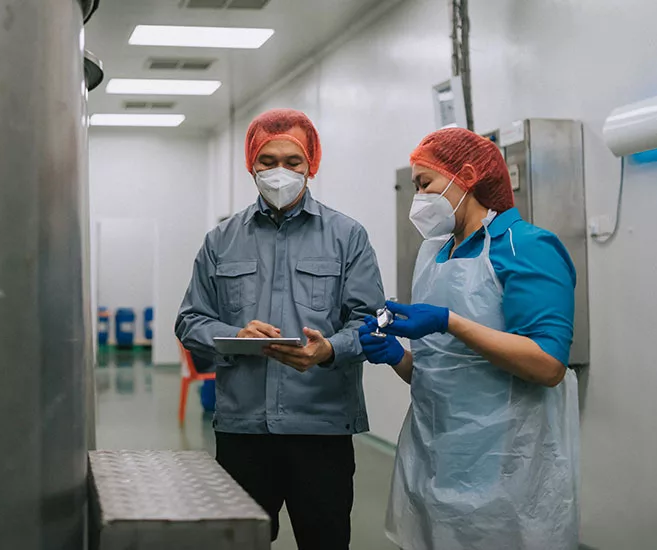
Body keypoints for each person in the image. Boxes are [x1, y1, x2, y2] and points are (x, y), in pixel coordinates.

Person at [358, 128, 580, 550]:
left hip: (508, 472)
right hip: (433, 460)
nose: (418, 198)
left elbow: (547, 365)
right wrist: (398, 358)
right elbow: (447, 372)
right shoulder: (435, 254)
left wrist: (449, 321)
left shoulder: (526, 247)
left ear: (468, 174)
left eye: (426, 184)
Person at [175, 108, 384, 549]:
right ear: (251, 164)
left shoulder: (348, 236)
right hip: (243, 430)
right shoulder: (221, 240)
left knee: (324, 540)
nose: (280, 172)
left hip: (321, 428)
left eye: (293, 162)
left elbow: (370, 322)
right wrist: (233, 337)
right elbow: (190, 319)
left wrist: (328, 349)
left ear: (311, 165)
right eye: (268, 161)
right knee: (242, 542)